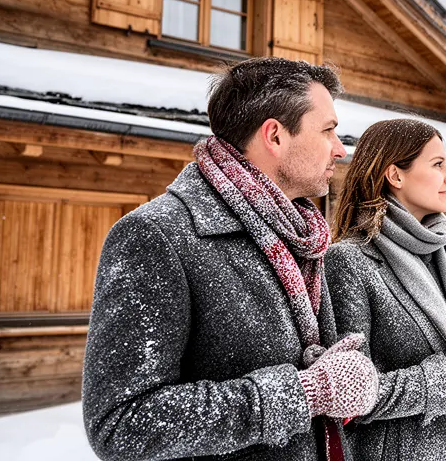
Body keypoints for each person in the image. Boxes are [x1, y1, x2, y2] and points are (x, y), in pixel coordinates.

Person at [82, 58, 379, 461]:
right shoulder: (158, 235)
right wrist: (303, 393)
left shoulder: (301, 236)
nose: (341, 150)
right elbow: (121, 424)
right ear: (274, 136)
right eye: (328, 130)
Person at [324, 119, 446, 461]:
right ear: (396, 175)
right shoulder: (349, 262)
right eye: (438, 164)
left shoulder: (439, 254)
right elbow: (347, 398)